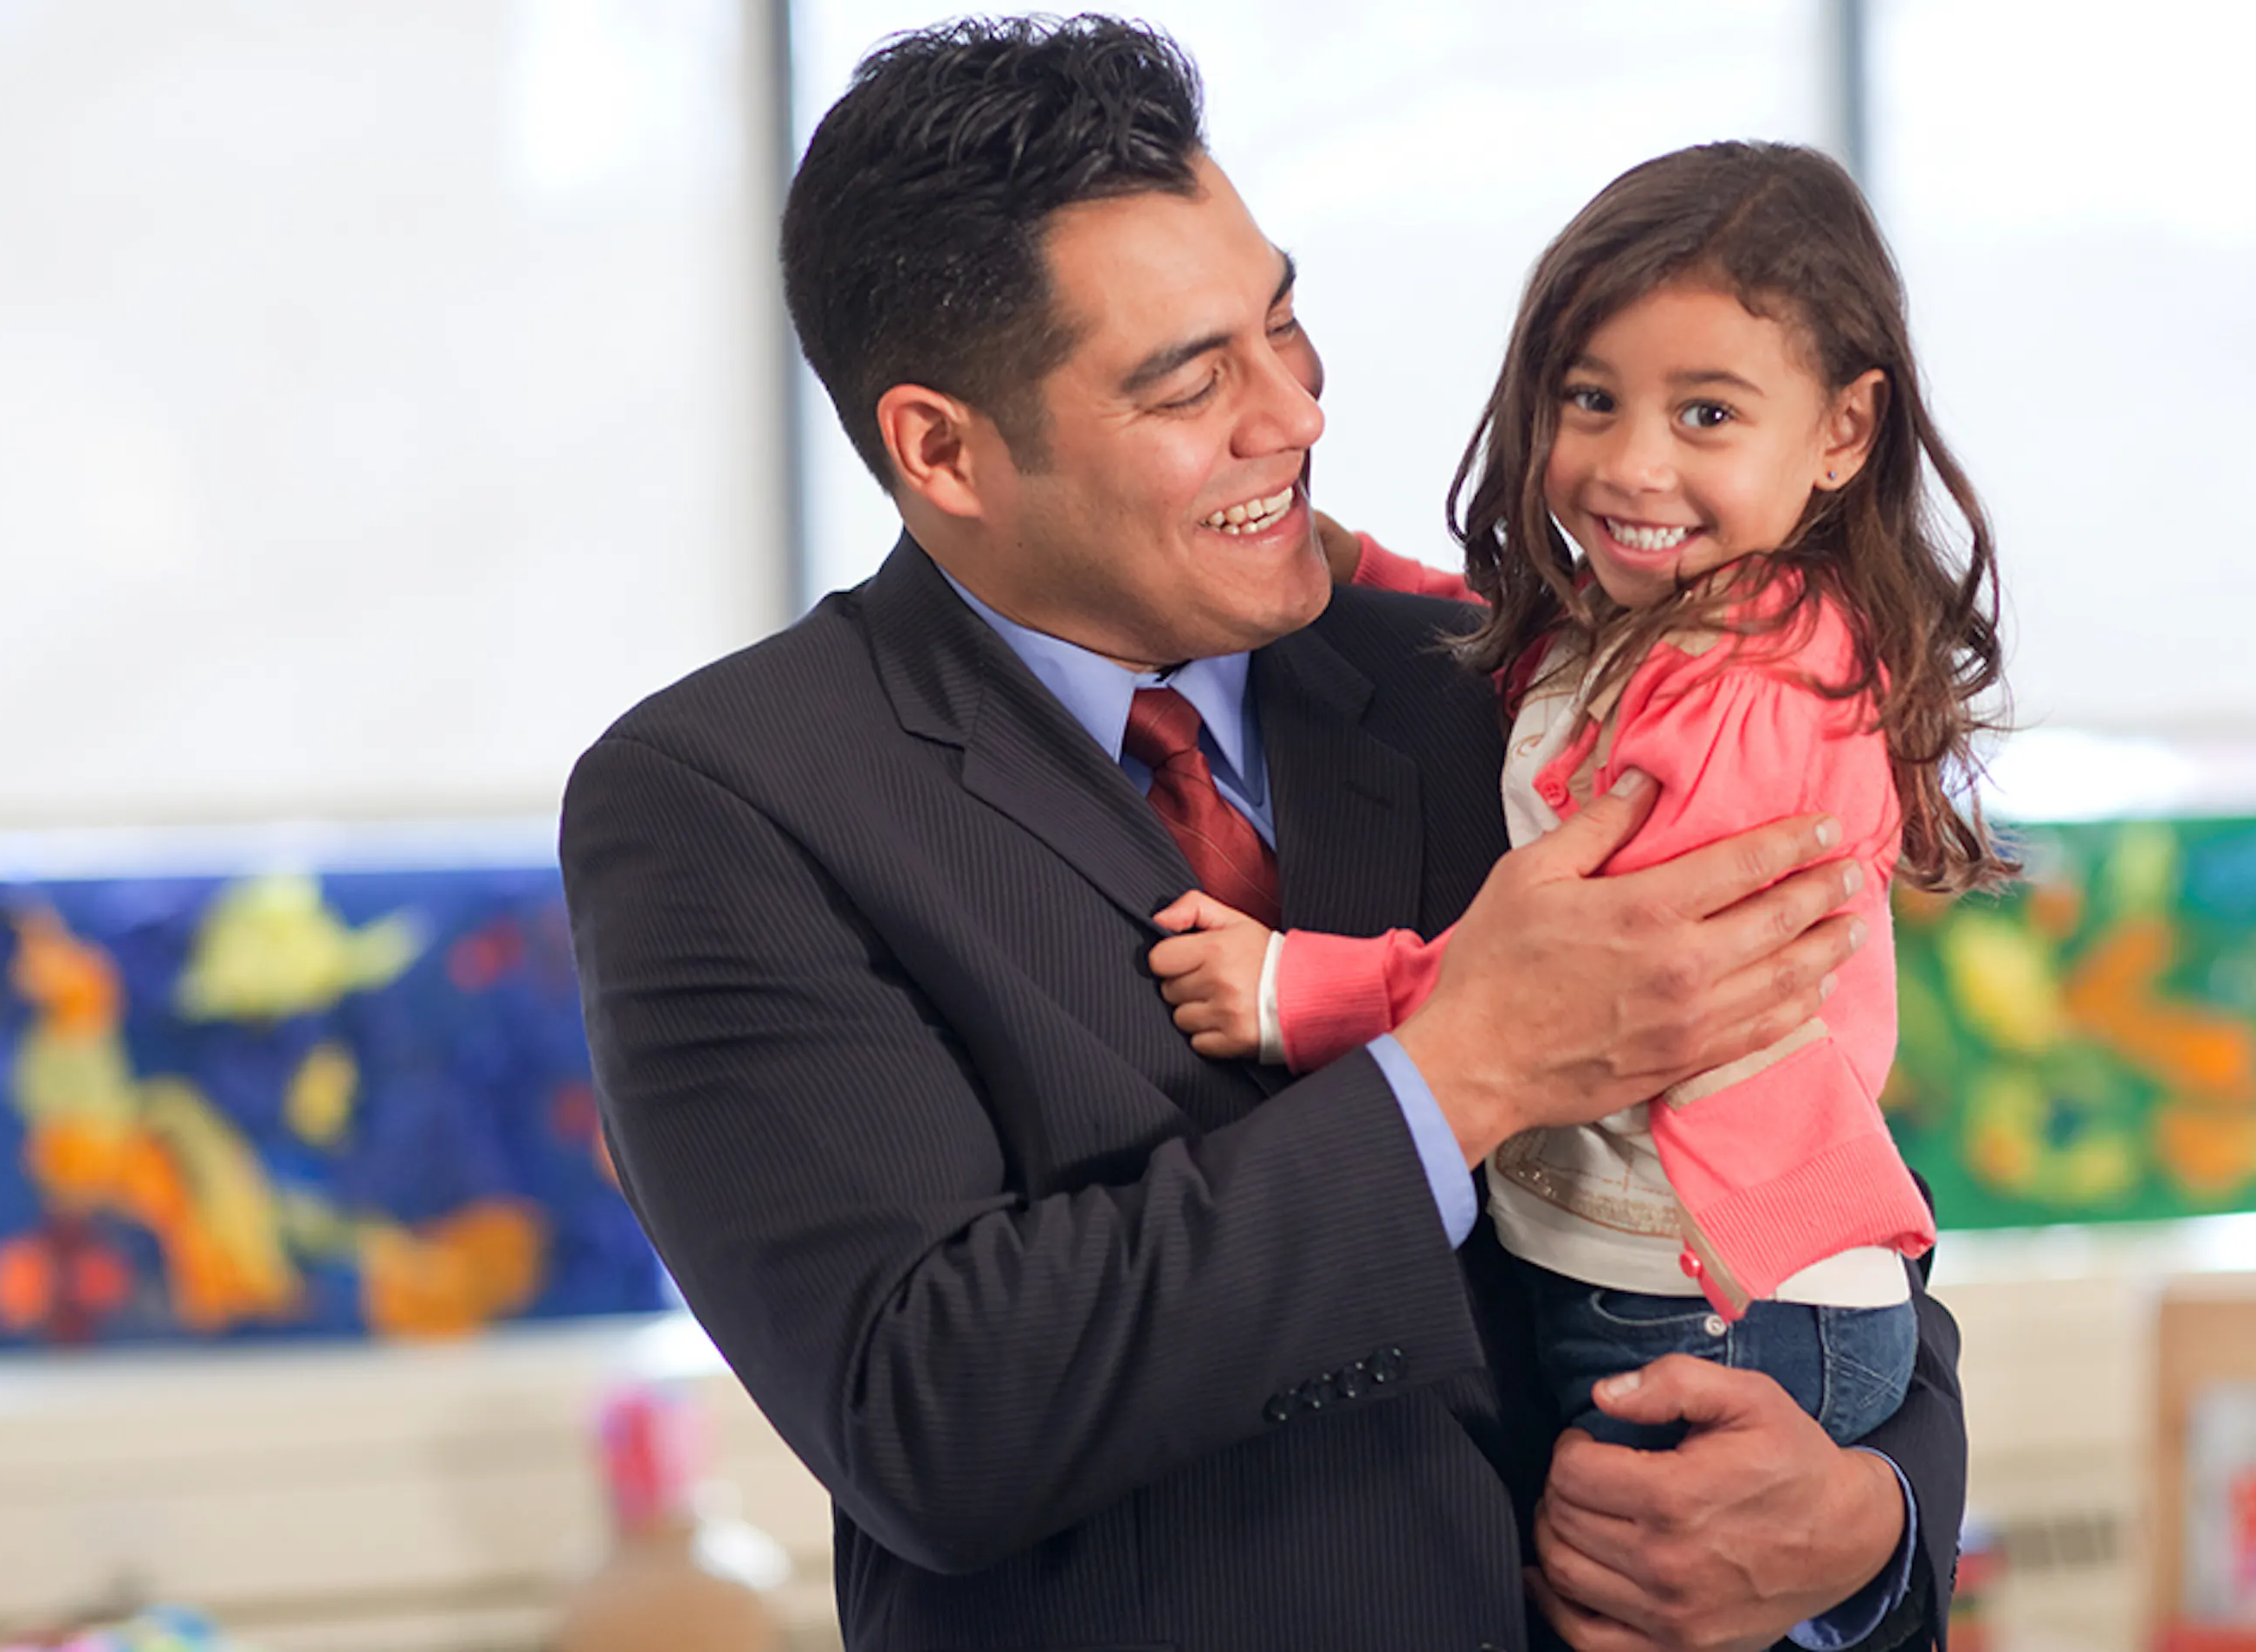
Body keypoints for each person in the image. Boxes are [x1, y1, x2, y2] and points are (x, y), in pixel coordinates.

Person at [558, 18, 1963, 1651]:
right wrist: (1461, 1071)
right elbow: (933, 1409)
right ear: (943, 449)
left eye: (1282, 324)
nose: (1293, 412)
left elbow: (1808, 1155)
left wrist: (1867, 1526)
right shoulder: (725, 800)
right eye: (1192, 381)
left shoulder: (1487, 687)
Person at [1147, 141, 2010, 1466]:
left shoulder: (1756, 694)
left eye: (1706, 414)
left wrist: (1290, 991)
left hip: (1715, 1298)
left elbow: (1587, 981)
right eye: (1591, 399)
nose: (1631, 465)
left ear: (1843, 432)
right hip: (1673, 1270)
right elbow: (1550, 656)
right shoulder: (1689, 617)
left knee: (1628, 1567)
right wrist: (1358, 571)